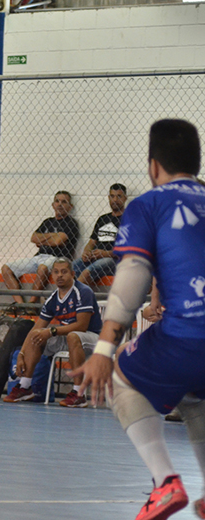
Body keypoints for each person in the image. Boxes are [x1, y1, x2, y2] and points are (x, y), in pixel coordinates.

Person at [73, 119, 205, 520]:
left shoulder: (149, 204)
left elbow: (132, 275)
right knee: (197, 397)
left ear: (152, 166)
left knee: (120, 377)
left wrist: (105, 347)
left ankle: (165, 483)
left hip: (187, 334)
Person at [2, 258, 102, 407]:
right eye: (56, 272)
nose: (59, 275)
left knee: (72, 336)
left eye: (64, 272)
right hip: (69, 337)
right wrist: (22, 354)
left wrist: (52, 331)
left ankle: (78, 394)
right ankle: (25, 387)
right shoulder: (53, 298)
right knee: (38, 335)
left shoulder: (83, 292)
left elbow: (81, 326)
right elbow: (36, 329)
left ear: (73, 274)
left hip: (93, 337)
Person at [1, 191, 79, 313]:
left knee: (42, 268)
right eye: (57, 201)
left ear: (70, 207)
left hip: (58, 258)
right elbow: (33, 238)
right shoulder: (47, 222)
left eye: (64, 202)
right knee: (6, 268)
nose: (60, 204)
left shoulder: (71, 223)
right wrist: (53, 236)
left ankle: (31, 304)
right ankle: (20, 304)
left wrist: (43, 239)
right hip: (39, 256)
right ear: (53, 205)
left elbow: (58, 241)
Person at [71, 183, 127, 288]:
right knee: (70, 268)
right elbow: (92, 242)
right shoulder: (103, 219)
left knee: (88, 272)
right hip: (96, 257)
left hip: (114, 260)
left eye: (119, 196)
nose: (115, 200)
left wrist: (105, 253)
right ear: (108, 197)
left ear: (125, 198)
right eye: (112, 196)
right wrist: (86, 252)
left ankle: (71, 299)